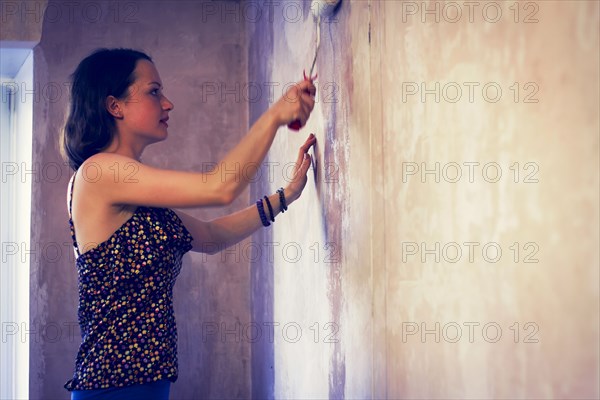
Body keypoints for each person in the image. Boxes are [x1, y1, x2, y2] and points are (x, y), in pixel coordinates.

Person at [60, 48, 317, 399]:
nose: (168, 104)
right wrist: (275, 115)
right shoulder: (98, 173)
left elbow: (211, 237)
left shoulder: (133, 194)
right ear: (114, 106)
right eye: (153, 91)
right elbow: (219, 187)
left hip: (145, 385)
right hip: (112, 388)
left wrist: (285, 196)